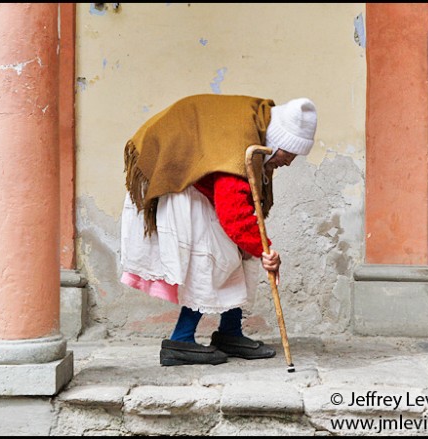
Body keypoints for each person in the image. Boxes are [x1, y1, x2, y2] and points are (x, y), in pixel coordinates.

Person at [120, 94, 317, 366]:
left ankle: (229, 333)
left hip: (194, 179)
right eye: (289, 154)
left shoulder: (257, 131)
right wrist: (266, 250)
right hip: (175, 180)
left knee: (235, 253)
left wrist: (258, 248)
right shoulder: (238, 147)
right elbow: (234, 214)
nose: (289, 162)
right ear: (276, 145)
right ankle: (181, 341)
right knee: (213, 258)